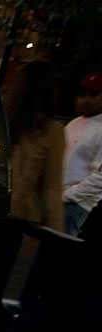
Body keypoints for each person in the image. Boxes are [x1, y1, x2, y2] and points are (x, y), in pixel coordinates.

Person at [3, 61, 64, 230]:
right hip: (24, 224)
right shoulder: (51, 130)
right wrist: (55, 235)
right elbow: (51, 191)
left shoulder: (3, 123)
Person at [62, 71, 102, 235]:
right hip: (58, 198)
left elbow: (99, 177)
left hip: (76, 204)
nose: (85, 99)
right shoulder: (74, 123)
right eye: (82, 94)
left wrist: (69, 195)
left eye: (93, 94)